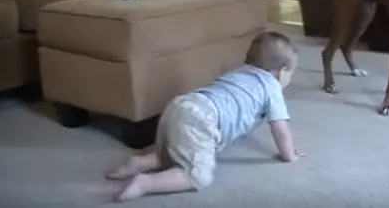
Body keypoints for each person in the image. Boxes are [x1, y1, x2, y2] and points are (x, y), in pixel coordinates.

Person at [105, 31, 303, 202]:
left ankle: (142, 163)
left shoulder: (238, 72)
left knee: (174, 153)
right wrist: (289, 155)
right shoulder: (271, 87)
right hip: (203, 118)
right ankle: (146, 183)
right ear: (282, 72)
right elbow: (280, 128)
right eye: (291, 75)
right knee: (197, 176)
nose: (290, 80)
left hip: (183, 104)